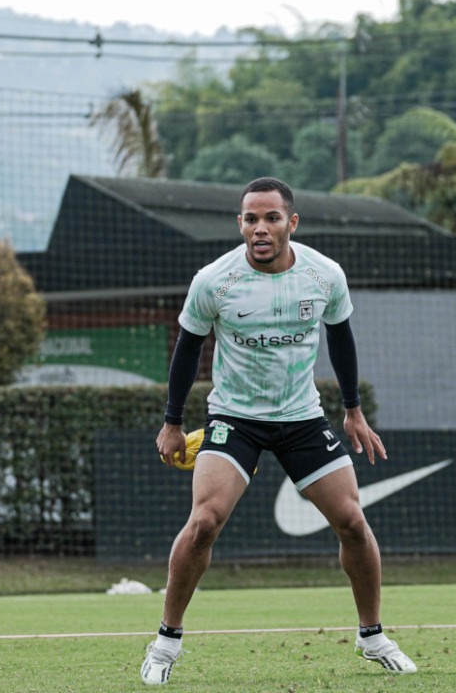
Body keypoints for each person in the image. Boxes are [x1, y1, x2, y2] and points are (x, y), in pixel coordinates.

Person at [141, 177, 417, 685]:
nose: (260, 228)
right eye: (251, 219)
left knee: (353, 521)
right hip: (234, 419)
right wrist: (172, 423)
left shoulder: (324, 275)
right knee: (205, 521)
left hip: (302, 418)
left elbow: (341, 338)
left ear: (291, 222)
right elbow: (186, 349)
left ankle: (372, 635)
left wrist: (353, 410)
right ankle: (165, 643)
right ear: (240, 224)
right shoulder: (214, 281)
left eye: (271, 218)